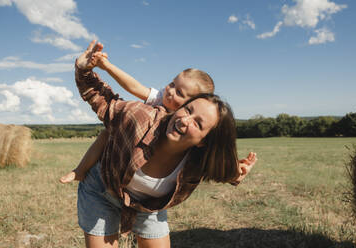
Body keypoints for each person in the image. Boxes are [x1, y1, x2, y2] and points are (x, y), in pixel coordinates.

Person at [72, 40, 257, 248]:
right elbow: (104, 97)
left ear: (204, 142)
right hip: (104, 188)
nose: (185, 119)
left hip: (147, 205)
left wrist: (235, 174)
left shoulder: (198, 160)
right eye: (188, 110)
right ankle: (79, 170)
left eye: (198, 122)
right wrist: (85, 68)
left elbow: (219, 168)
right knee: (107, 133)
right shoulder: (143, 115)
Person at [60, 42, 215, 184]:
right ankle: (80, 170)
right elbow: (134, 86)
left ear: (192, 104)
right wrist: (107, 66)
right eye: (172, 84)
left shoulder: (188, 129)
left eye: (179, 93)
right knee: (106, 133)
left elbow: (216, 148)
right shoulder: (160, 99)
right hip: (127, 148)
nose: (170, 91)